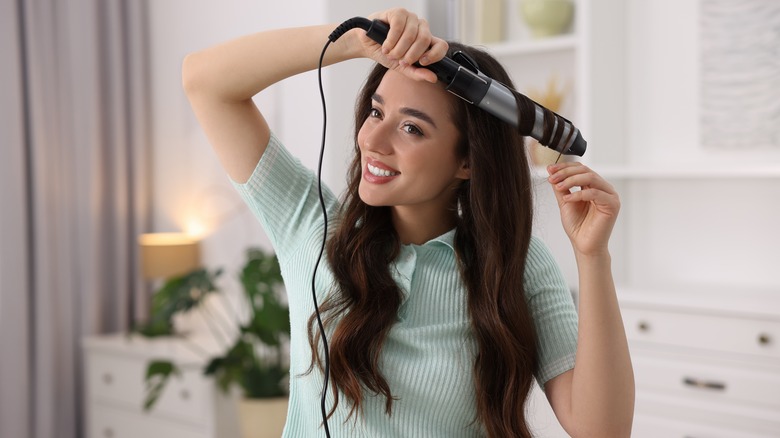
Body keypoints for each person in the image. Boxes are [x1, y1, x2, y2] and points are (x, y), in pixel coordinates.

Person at [182, 7, 634, 438]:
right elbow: (204, 81)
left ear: (467, 162)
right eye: (377, 112)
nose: (372, 140)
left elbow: (602, 430)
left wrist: (593, 257)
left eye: (412, 128)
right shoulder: (311, 224)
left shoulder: (513, 263)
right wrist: (355, 40)